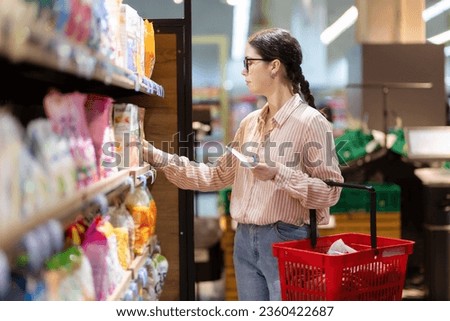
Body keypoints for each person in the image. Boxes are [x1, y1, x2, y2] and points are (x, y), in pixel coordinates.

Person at [143, 27, 343, 301]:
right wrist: (156, 156)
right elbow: (215, 177)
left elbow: (331, 192)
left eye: (249, 63)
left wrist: (278, 173)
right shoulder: (249, 124)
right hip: (244, 241)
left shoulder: (311, 123)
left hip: (287, 239)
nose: (243, 71)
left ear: (274, 66)